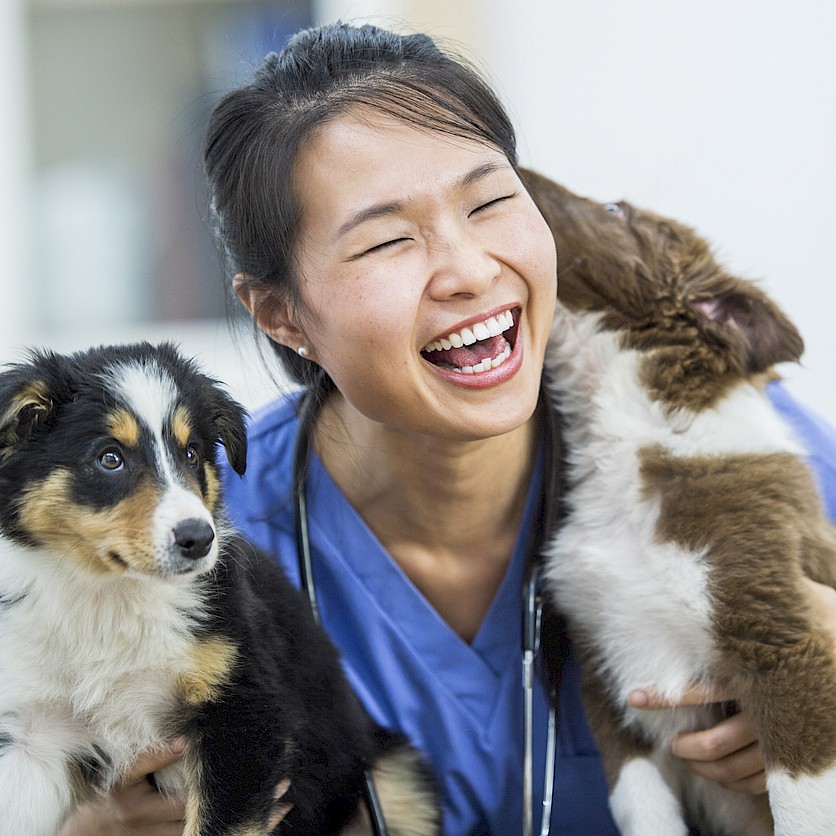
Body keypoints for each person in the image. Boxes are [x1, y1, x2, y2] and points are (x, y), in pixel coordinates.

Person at [61, 21, 836, 835]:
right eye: (389, 240)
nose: (470, 271)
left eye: (493, 202)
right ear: (282, 315)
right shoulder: (184, 540)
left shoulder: (729, 453)